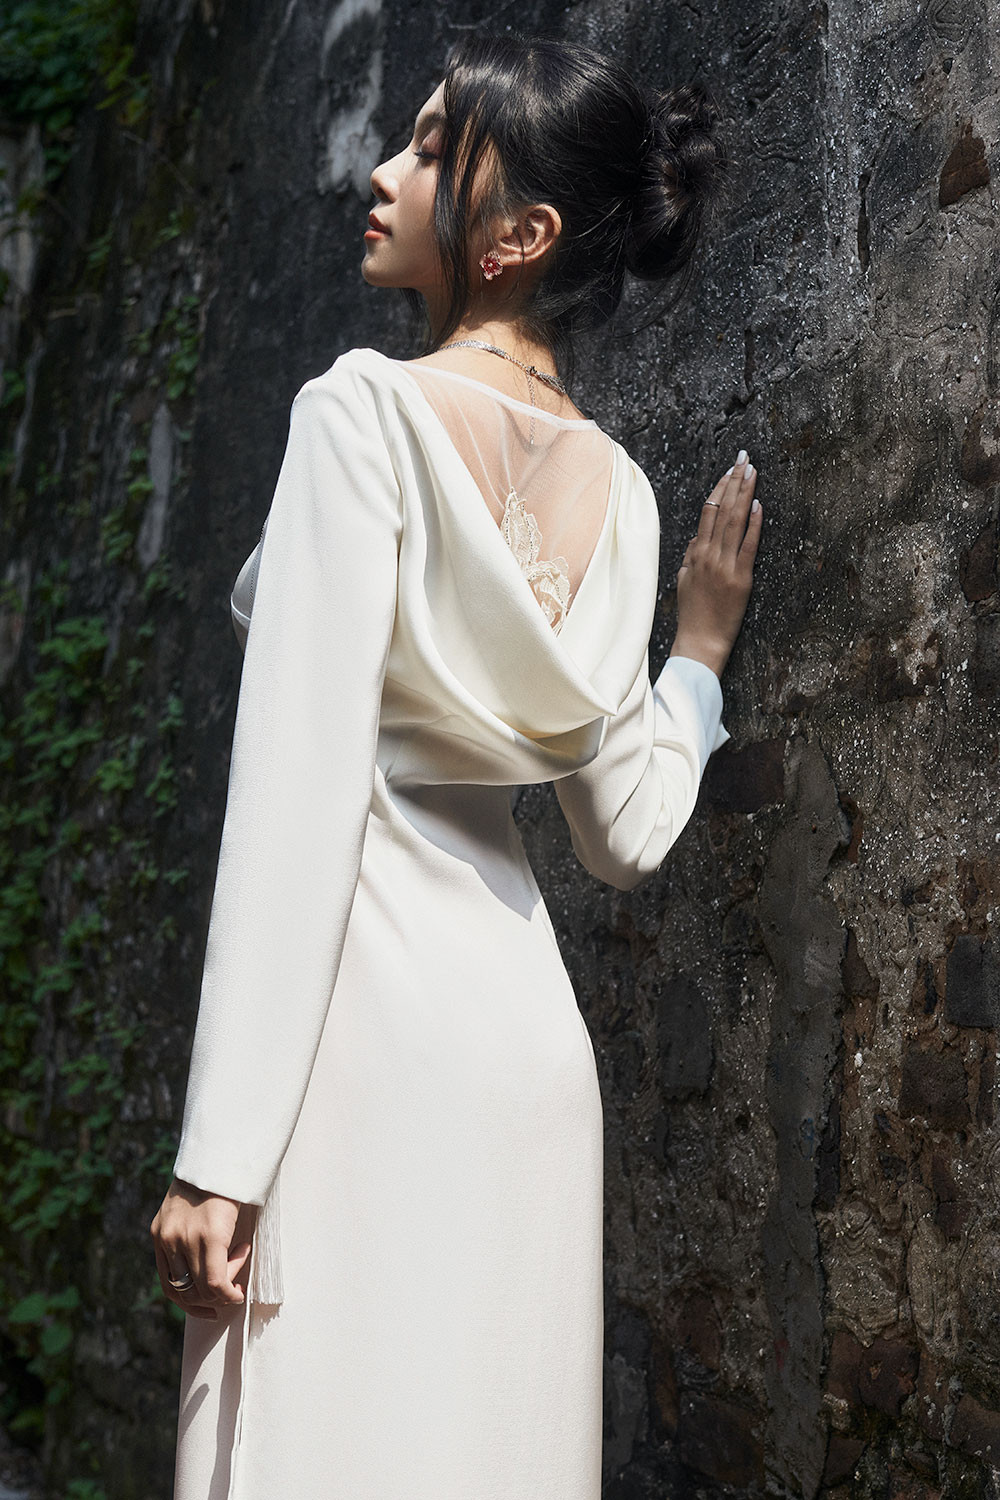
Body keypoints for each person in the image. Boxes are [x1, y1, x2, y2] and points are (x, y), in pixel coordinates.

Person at [151, 28, 762, 1500]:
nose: (383, 170)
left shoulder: (357, 415)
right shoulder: (625, 499)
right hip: (521, 1069)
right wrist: (696, 659)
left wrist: (219, 1153)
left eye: (431, 148)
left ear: (519, 233)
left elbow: (297, 795)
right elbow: (624, 833)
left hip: (353, 1057)